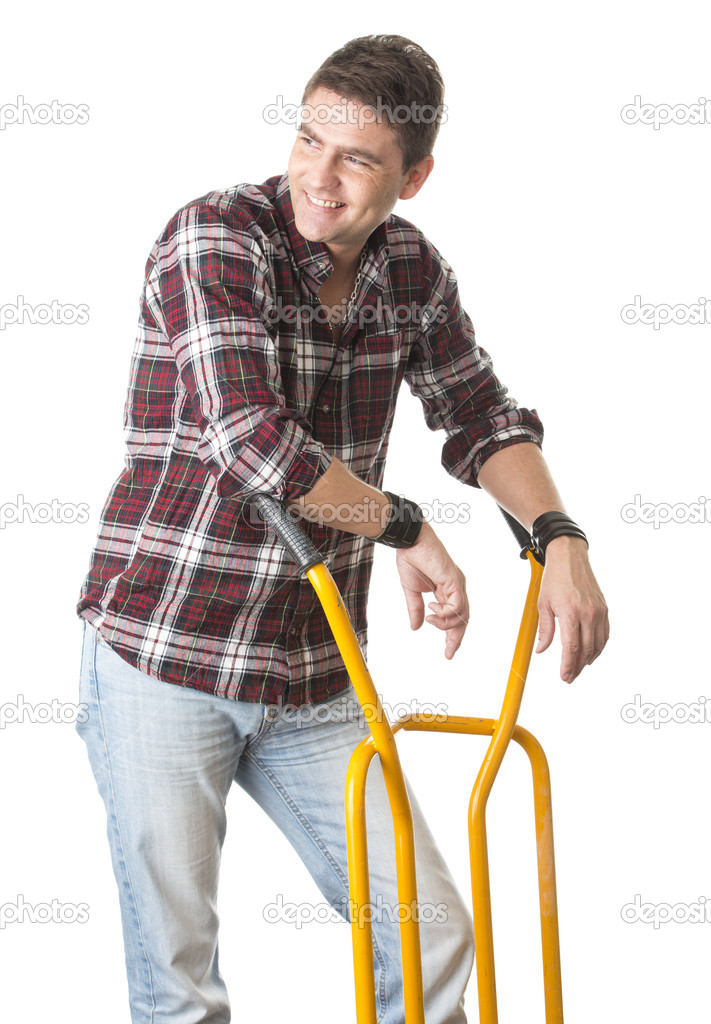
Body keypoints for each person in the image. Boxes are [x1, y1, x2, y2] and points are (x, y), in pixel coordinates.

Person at [75, 34, 609, 1024]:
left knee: (430, 930)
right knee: (179, 979)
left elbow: (482, 416)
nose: (317, 177)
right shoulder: (216, 237)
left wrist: (560, 536)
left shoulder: (411, 272)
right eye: (309, 138)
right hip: (164, 649)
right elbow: (250, 440)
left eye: (356, 157)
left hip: (312, 666)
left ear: (416, 174)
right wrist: (405, 527)